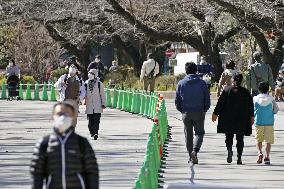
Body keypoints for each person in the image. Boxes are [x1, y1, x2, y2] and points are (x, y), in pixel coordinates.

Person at [30, 102, 99, 189]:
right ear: (53, 116)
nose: (63, 117)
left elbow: (92, 171)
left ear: (73, 117)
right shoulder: (44, 143)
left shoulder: (82, 143)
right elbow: (37, 174)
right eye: (59, 114)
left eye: (67, 114)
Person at [212, 74, 254, 165]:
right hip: (241, 118)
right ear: (241, 81)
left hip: (228, 118)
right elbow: (251, 106)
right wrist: (252, 117)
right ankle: (239, 157)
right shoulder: (246, 92)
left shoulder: (227, 90)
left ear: (233, 80)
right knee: (240, 138)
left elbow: (220, 103)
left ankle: (229, 150)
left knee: (229, 136)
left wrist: (215, 114)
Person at [175, 62, 210, 164]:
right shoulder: (202, 83)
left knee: (188, 135)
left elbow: (177, 101)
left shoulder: (181, 83)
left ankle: (190, 155)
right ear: (196, 70)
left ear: (186, 71)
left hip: (186, 112)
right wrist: (205, 109)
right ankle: (195, 151)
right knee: (199, 133)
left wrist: (182, 110)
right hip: (199, 111)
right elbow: (207, 99)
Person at [254, 82, 279, 165]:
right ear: (268, 89)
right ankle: (267, 157)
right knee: (268, 141)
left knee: (258, 140)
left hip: (259, 122)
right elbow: (276, 109)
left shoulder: (255, 98)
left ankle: (259, 153)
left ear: (259, 89)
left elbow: (252, 109)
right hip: (269, 122)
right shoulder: (271, 99)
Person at [84, 69, 106, 140]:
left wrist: (103, 104)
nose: (90, 75)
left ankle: (96, 133)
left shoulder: (99, 84)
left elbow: (103, 95)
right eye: (89, 73)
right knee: (90, 121)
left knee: (97, 120)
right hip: (89, 105)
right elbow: (83, 93)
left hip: (97, 105)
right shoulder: (86, 83)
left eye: (92, 74)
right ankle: (92, 132)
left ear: (95, 75)